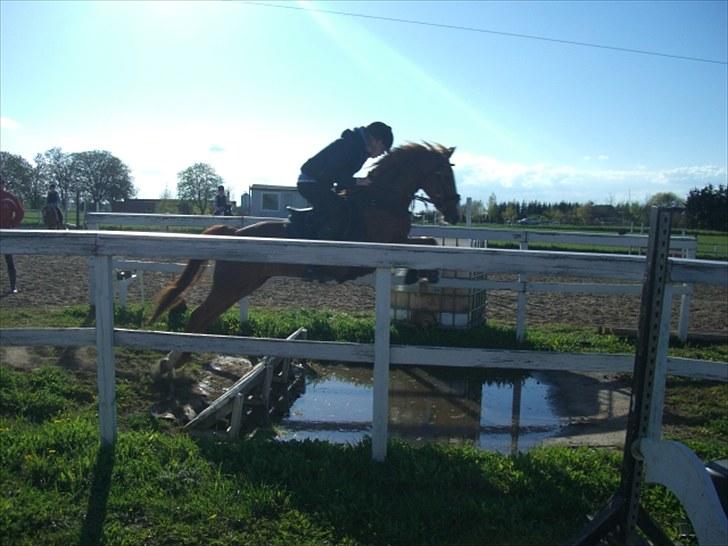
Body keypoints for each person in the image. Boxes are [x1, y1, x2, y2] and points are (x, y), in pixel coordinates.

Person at [297, 121, 393, 240]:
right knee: (339, 212)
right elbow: (331, 173)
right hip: (310, 183)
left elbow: (339, 177)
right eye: (383, 149)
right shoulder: (350, 146)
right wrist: (358, 182)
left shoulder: (357, 147)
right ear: (376, 141)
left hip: (319, 183)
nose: (381, 153)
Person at [0, 179, 25, 293]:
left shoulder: (9, 197)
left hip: (6, 232)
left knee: (9, 259)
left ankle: (13, 286)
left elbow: (20, 212)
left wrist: (13, 224)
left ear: (3, 185)